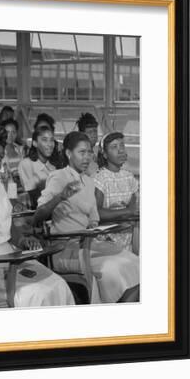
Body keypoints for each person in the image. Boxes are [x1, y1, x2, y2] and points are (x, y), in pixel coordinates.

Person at [0, 125, 75, 308]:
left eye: (0, 157)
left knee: (58, 285)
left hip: (12, 258)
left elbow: (7, 226)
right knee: (38, 294)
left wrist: (23, 240)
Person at [32, 131, 140, 304]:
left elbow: (93, 220)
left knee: (136, 262)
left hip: (91, 244)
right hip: (66, 250)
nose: (87, 157)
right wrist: (60, 196)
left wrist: (96, 226)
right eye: (82, 152)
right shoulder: (59, 177)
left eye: (89, 152)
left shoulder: (89, 181)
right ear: (68, 153)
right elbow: (38, 215)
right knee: (115, 269)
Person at [94, 132, 140, 253]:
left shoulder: (129, 177)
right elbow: (96, 213)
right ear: (104, 154)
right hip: (106, 241)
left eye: (122, 146)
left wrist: (131, 210)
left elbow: (135, 204)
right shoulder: (100, 178)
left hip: (127, 239)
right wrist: (127, 211)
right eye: (114, 147)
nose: (120, 150)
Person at [19, 126, 60, 205]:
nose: (49, 144)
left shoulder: (54, 166)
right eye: (44, 140)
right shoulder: (26, 164)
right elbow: (33, 196)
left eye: (51, 140)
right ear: (35, 143)